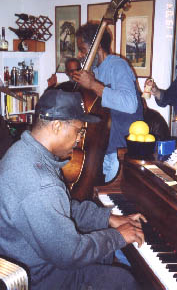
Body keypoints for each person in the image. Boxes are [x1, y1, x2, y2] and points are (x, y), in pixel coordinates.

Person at [0, 89, 146, 290]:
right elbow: (70, 253)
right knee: (122, 281)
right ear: (57, 126)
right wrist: (118, 236)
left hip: (31, 255)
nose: (79, 139)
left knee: (103, 249)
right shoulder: (40, 183)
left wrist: (107, 218)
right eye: (78, 131)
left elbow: (62, 209)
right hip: (38, 277)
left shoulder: (25, 151)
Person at [73, 22, 144, 182]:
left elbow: (130, 104)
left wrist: (93, 85)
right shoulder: (95, 71)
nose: (79, 55)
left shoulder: (118, 66)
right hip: (101, 150)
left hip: (118, 154)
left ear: (96, 48)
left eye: (82, 50)